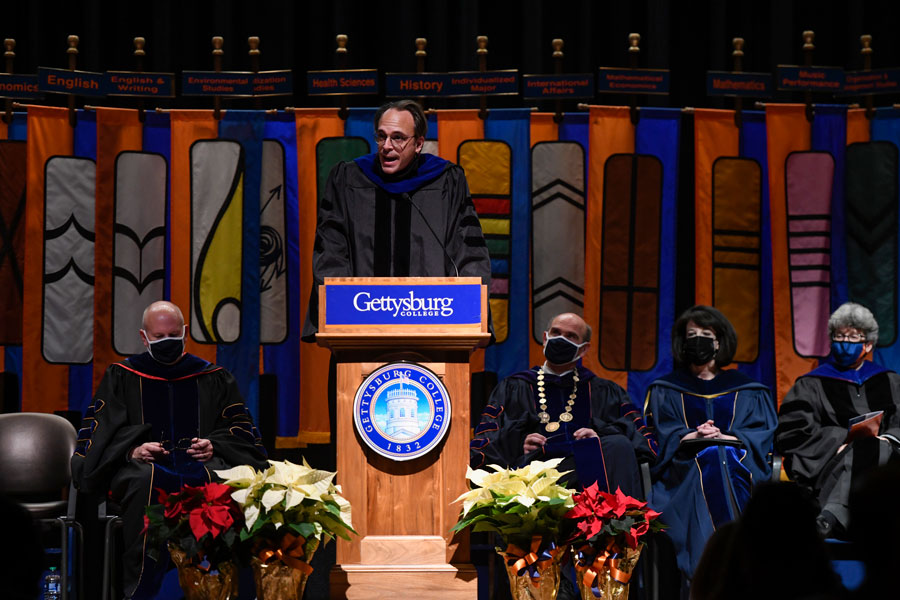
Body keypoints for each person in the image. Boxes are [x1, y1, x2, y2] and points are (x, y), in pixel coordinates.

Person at [71, 301, 268, 600]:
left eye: (173, 335)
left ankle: (220, 588)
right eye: (159, 337)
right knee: (143, 479)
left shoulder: (212, 376)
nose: (167, 343)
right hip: (145, 471)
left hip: (200, 465)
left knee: (222, 480)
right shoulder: (122, 376)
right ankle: (142, 591)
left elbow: (241, 429)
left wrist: (215, 444)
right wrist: (132, 451)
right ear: (143, 336)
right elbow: (99, 435)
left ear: (186, 333)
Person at [302, 98, 491, 339]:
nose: (386, 146)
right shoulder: (348, 180)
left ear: (419, 143)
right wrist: (341, 305)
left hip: (433, 329)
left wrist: (470, 311)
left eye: (398, 138)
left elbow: (470, 254)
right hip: (359, 330)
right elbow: (330, 252)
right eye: (381, 136)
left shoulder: (446, 182)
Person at [643, 305, 777, 585]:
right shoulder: (666, 388)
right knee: (712, 455)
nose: (698, 340)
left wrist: (724, 437)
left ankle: (709, 574)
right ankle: (728, 569)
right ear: (682, 342)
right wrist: (692, 435)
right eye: (692, 334)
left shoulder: (748, 389)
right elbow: (658, 435)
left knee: (720, 453)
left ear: (720, 343)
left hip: (740, 469)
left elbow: (760, 434)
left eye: (706, 334)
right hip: (682, 474)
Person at [470, 312, 657, 496]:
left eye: (571, 336)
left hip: (590, 475)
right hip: (530, 478)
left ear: (583, 349)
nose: (561, 339)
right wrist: (519, 443)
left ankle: (616, 522)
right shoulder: (514, 387)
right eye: (556, 333)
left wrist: (600, 436)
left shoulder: (605, 391)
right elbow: (484, 443)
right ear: (545, 338)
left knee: (617, 445)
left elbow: (642, 442)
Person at [776, 301, 900, 540]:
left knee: (876, 447)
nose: (845, 343)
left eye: (853, 337)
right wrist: (840, 441)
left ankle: (831, 516)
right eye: (839, 336)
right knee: (868, 449)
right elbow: (793, 434)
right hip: (831, 461)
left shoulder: (890, 381)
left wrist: (887, 439)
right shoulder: (810, 384)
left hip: (888, 462)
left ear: (868, 344)